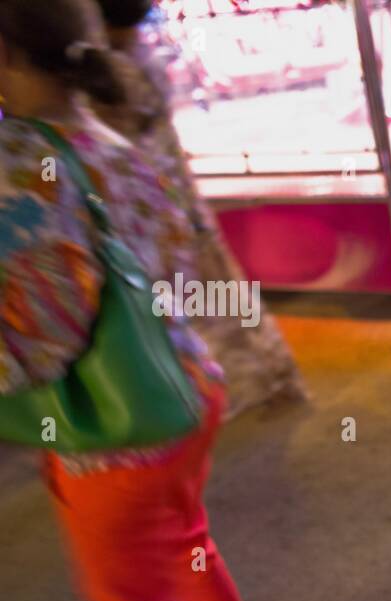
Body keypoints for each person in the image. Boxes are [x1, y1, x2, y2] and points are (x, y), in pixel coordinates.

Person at [0, 0, 316, 601]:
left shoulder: (16, 166)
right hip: (187, 385)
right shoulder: (115, 137)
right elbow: (174, 253)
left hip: (115, 432)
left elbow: (44, 336)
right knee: (187, 544)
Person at [92, 0, 308, 419]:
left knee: (168, 298)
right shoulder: (142, 58)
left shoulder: (105, 74)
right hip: (175, 196)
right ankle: (258, 374)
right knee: (211, 290)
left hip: (138, 206)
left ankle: (198, 388)